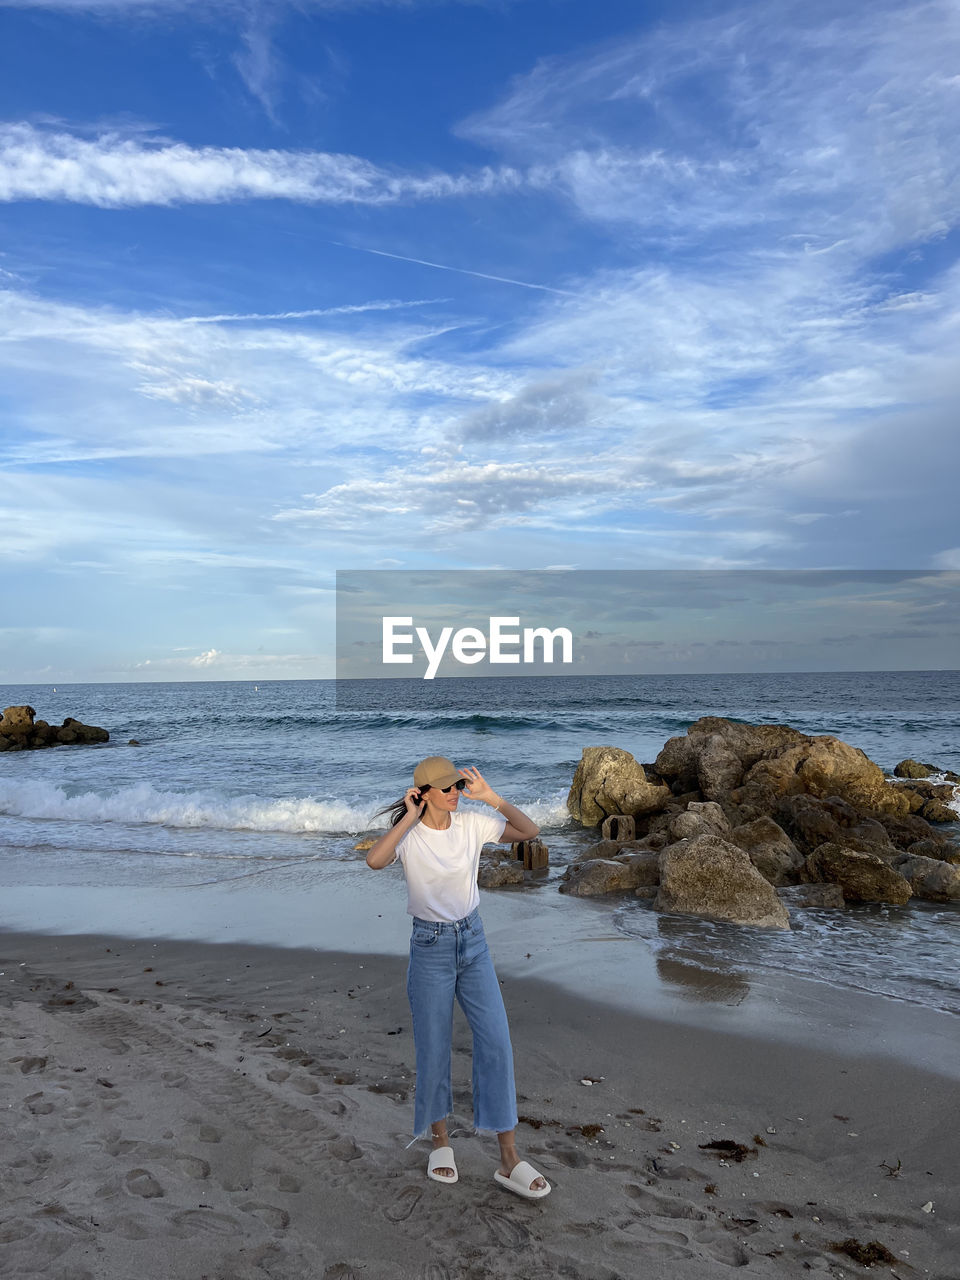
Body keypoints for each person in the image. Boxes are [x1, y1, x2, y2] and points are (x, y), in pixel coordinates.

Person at [365, 755, 551, 1200]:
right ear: (423, 793)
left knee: (497, 1042)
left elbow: (529, 833)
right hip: (429, 948)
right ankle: (440, 1142)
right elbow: (374, 860)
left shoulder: (472, 824)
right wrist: (407, 818)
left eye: (456, 785)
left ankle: (508, 1159)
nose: (455, 791)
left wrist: (493, 799)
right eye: (445, 787)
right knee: (434, 1046)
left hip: (474, 943)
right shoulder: (409, 836)